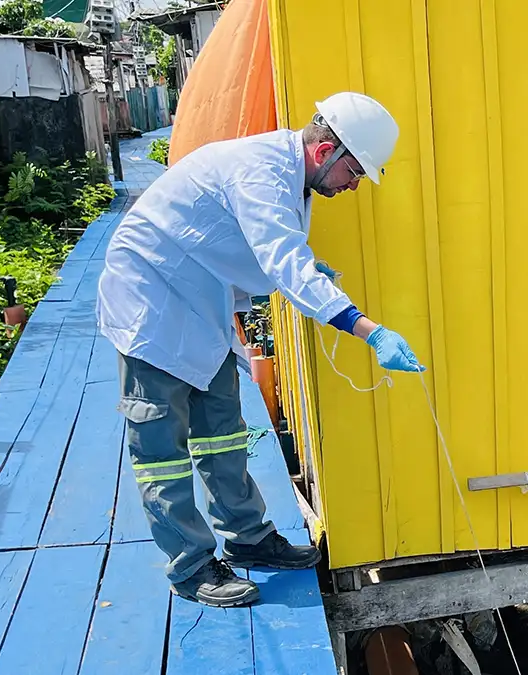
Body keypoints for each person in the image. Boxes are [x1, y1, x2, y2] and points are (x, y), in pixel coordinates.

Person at [96, 91, 424, 608]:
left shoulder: (293, 179)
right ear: (325, 153)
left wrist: (312, 271)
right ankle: (191, 566)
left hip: (201, 300)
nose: (354, 186)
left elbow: (260, 246)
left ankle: (249, 537)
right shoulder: (261, 171)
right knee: (162, 449)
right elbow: (283, 262)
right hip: (151, 301)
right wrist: (368, 330)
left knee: (221, 431)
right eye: (355, 173)